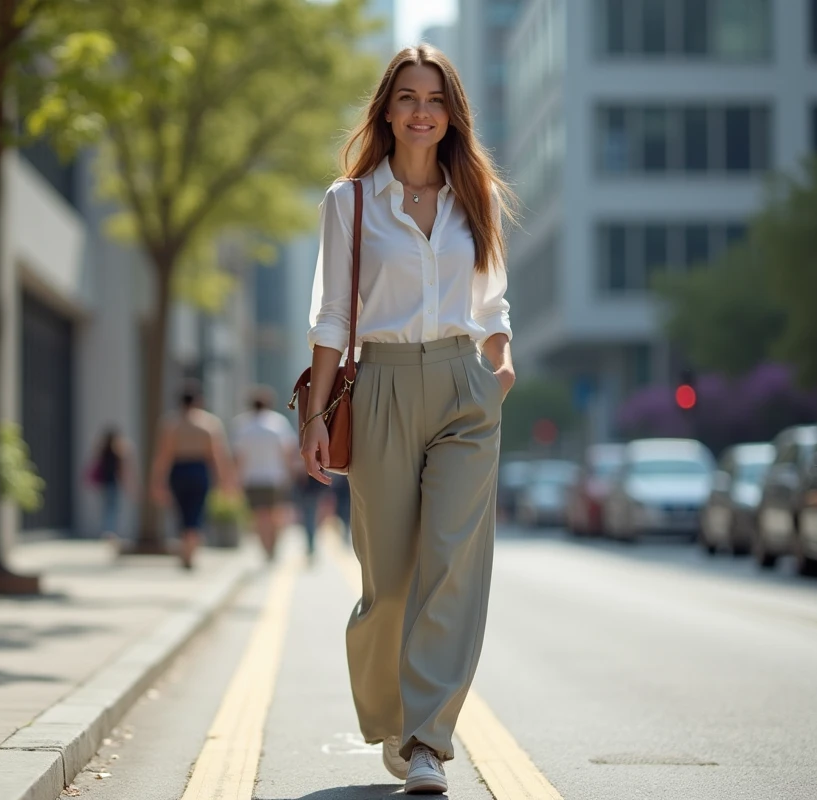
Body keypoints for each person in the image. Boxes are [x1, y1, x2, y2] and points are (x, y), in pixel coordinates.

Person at [299, 44, 516, 795]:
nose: (422, 112)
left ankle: (429, 739)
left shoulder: (476, 192)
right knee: (388, 582)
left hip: (463, 386)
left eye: (436, 99)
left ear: (452, 113)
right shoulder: (349, 202)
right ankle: (393, 715)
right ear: (386, 111)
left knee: (452, 566)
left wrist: (501, 355)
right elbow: (331, 317)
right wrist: (315, 418)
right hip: (381, 386)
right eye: (408, 98)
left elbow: (491, 299)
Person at [149, 380, 235, 569]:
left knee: (182, 513)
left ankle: (186, 552)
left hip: (179, 470)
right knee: (196, 512)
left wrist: (157, 482)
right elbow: (218, 454)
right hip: (199, 470)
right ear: (198, 400)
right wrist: (225, 480)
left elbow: (163, 455)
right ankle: (190, 552)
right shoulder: (209, 423)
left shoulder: (171, 423)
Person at [231, 387, 298, 561]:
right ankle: (273, 544)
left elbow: (239, 456)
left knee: (259, 516)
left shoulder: (243, 425)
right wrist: (291, 472)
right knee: (276, 513)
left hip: (252, 477)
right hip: (276, 476)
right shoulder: (278, 423)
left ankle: (265, 548)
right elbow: (288, 451)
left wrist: (236, 478)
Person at [87, 427, 133, 548]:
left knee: (107, 509)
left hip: (105, 484)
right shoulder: (117, 452)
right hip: (112, 483)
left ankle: (107, 531)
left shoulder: (103, 451)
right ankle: (109, 533)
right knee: (112, 509)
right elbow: (122, 469)